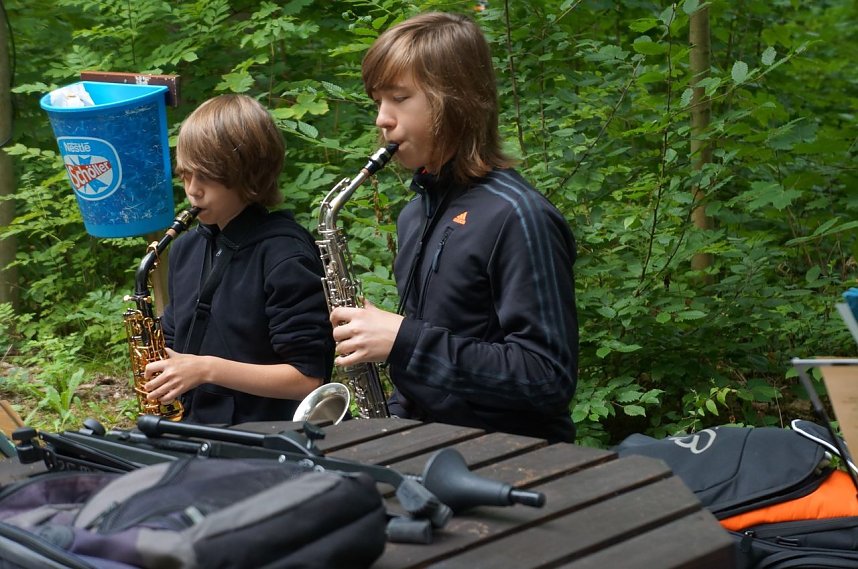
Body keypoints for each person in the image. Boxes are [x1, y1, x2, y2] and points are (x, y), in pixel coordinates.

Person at [330, 12, 579, 443]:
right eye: (378, 101)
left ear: (456, 100)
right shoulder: (415, 214)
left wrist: (404, 339)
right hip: (430, 448)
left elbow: (547, 378)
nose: (381, 120)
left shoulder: (519, 216)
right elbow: (436, 373)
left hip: (511, 461)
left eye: (399, 98)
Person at [142, 94, 334, 425]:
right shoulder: (186, 248)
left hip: (267, 439)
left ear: (249, 174)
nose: (192, 191)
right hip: (193, 429)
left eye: (206, 176)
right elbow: (175, 346)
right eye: (186, 175)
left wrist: (206, 369)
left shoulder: (284, 254)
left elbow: (309, 380)